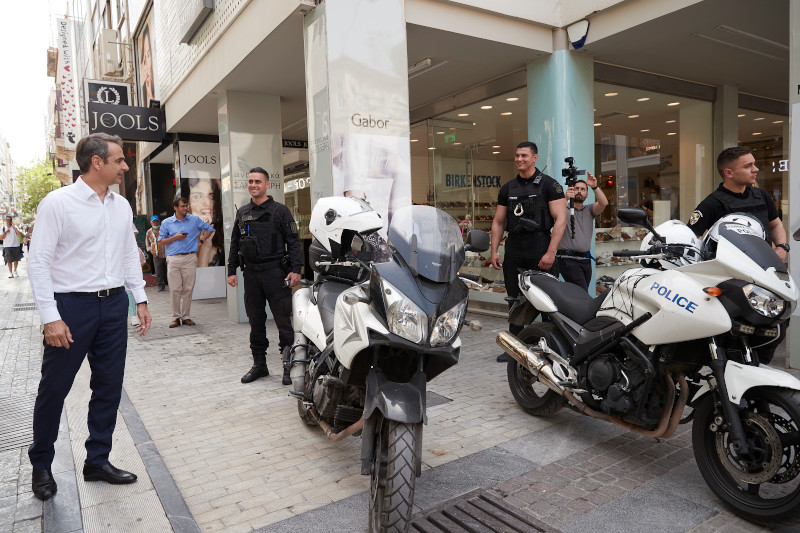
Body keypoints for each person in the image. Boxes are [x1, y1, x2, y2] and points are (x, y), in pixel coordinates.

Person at [26, 133, 152, 501]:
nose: (125, 166)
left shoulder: (121, 205)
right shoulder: (57, 203)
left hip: (113, 306)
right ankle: (41, 465)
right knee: (54, 389)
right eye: (119, 160)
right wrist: (50, 316)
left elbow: (128, 254)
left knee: (109, 386)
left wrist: (140, 299)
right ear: (97, 162)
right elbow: (39, 262)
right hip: (71, 308)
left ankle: (97, 460)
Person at [490, 142, 566, 361]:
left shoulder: (550, 185)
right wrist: (494, 251)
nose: (519, 159)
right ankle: (515, 347)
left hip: (540, 245)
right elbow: (498, 222)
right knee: (514, 299)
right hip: (514, 247)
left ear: (534, 157)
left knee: (547, 301)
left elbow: (560, 220)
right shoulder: (508, 188)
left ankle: (551, 348)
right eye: (517, 155)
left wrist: (551, 252)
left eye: (524, 155)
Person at [227, 167, 303, 386]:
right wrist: (231, 270)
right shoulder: (243, 212)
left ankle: (290, 367)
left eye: (258, 181)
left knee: (283, 322)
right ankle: (259, 365)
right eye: (250, 181)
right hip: (251, 274)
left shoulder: (280, 211)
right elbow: (235, 243)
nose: (253, 185)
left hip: (276, 273)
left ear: (267, 184)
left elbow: (294, 242)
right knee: (256, 322)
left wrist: (296, 270)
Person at [688, 146, 788, 262]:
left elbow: (775, 225)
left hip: (765, 266)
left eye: (754, 164)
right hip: (730, 270)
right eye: (748, 166)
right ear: (729, 173)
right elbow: (690, 239)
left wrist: (781, 247)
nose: (755, 169)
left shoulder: (762, 196)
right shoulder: (711, 204)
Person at [158, 197, 215, 328]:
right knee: (175, 289)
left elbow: (210, 229)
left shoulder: (194, 220)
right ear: (175, 208)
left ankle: (186, 317)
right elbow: (160, 242)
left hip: (190, 257)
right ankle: (176, 317)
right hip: (173, 258)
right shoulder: (166, 222)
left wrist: (201, 240)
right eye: (183, 206)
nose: (186, 208)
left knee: (188, 288)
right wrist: (175, 237)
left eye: (186, 206)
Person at [558, 173, 608, 290]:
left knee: (579, 293)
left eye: (583, 189)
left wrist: (595, 186)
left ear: (587, 194)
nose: (579, 192)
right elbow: (554, 211)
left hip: (585, 260)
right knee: (582, 292)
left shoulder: (589, 209)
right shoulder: (563, 208)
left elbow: (604, 203)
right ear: (571, 190)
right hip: (568, 259)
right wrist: (565, 198)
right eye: (576, 189)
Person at [183, 177, 222, 267]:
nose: (207, 203)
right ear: (187, 205)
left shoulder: (219, 236)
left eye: (211, 197)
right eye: (198, 197)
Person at [145, 215, 167, 291]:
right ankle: (161, 286)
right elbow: (147, 243)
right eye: (153, 222)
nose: (155, 223)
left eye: (156, 222)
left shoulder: (164, 229)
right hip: (156, 254)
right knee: (158, 271)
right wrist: (151, 251)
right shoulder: (149, 232)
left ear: (159, 222)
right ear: (151, 223)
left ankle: (170, 284)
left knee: (170, 270)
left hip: (166, 253)